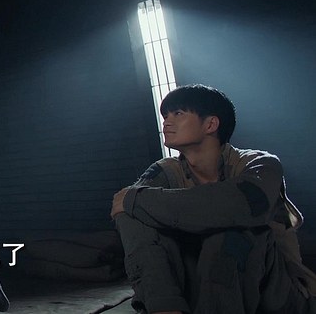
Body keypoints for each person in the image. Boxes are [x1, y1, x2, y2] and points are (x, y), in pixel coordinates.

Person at [111, 84, 316, 314]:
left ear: (211, 124)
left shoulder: (259, 164)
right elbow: (125, 210)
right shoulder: (165, 171)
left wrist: (134, 200)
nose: (166, 122)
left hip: (276, 292)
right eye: (165, 115)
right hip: (199, 288)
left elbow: (241, 206)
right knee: (133, 215)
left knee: (231, 231)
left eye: (178, 113)